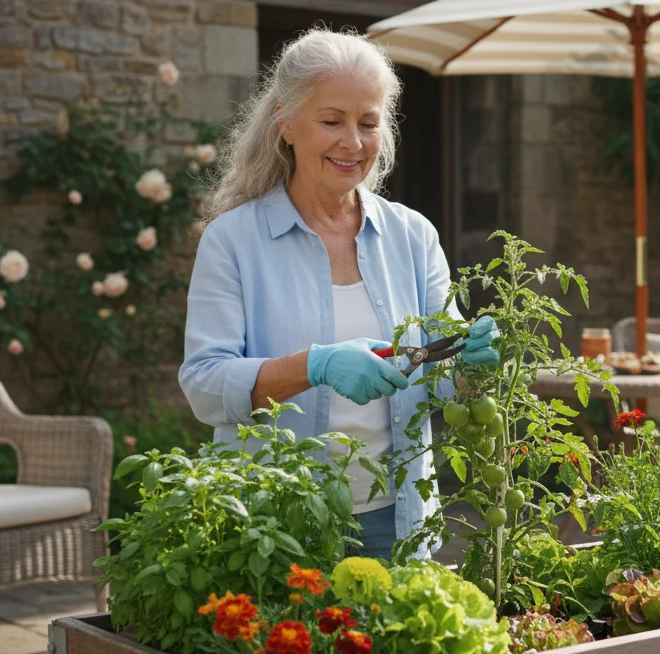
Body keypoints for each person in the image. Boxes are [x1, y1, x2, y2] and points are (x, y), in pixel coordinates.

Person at [179, 29, 498, 558]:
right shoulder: (233, 241)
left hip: (401, 522)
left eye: (368, 123)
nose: (352, 142)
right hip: (276, 524)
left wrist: (473, 365)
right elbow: (205, 386)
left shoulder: (413, 236)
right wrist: (315, 365)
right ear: (286, 122)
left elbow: (443, 374)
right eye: (331, 121)